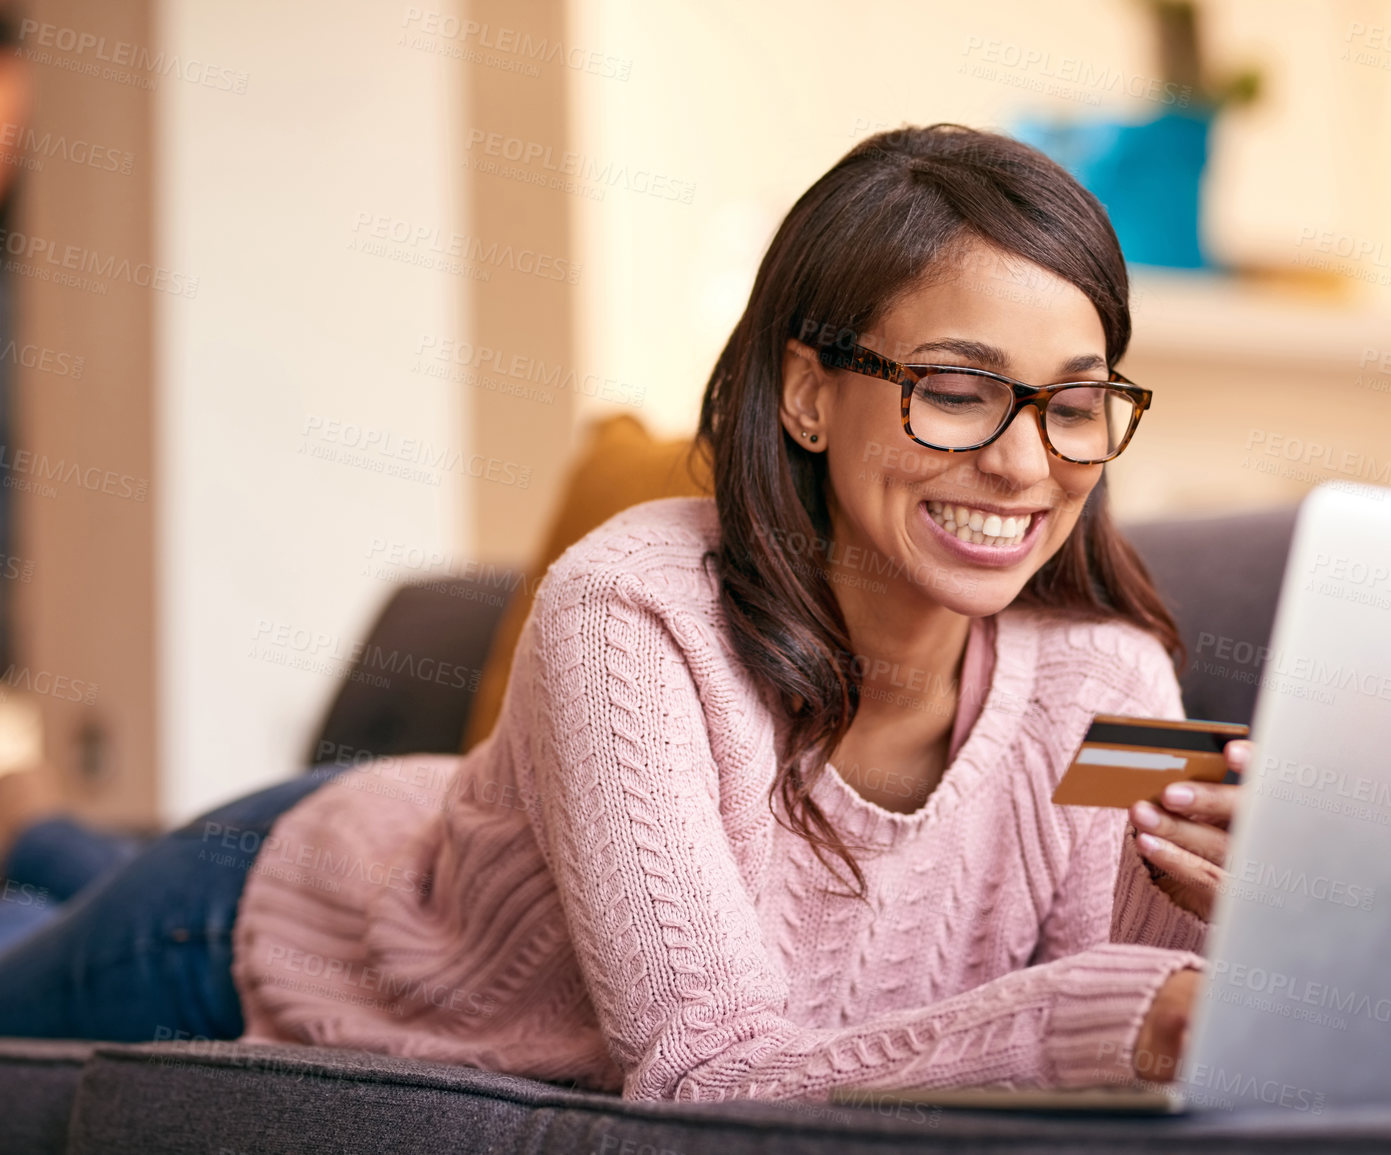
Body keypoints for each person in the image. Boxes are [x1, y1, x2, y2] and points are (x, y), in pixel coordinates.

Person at [0, 124, 1249, 1097]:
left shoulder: (1116, 682)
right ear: (810, 394)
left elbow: (1126, 1018)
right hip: (280, 918)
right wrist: (1122, 1022)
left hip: (456, 837)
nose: (1028, 466)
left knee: (55, 864)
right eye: (959, 391)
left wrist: (1236, 928)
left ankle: (50, 842)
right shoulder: (632, 611)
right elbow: (704, 1071)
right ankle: (43, 846)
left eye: (1074, 405)